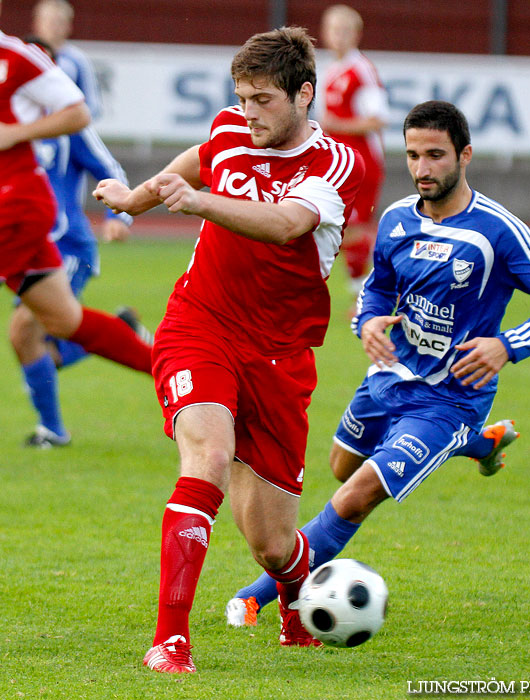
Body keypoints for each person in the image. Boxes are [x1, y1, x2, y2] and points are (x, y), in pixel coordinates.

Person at [226, 100, 530, 625]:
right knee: (341, 465)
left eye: (436, 155)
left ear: (464, 155)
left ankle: (262, 594)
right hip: (389, 379)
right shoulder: (395, 219)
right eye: (414, 155)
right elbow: (376, 293)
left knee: (356, 494)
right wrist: (367, 323)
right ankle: (476, 442)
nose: (422, 168)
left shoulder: (497, 231)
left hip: (451, 395)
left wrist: (506, 345)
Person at [92, 26, 364, 673]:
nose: (248, 112)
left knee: (271, 544)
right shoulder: (230, 130)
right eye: (241, 97)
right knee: (209, 455)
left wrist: (199, 204)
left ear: (303, 95)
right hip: (200, 323)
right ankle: (170, 641)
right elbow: (198, 155)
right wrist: (137, 198)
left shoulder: (334, 164)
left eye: (262, 99)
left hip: (279, 355)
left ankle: (298, 605)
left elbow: (287, 224)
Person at [0, 22, 152, 427]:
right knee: (61, 322)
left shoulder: (18, 63)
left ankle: (51, 428)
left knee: (29, 330)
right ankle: (180, 375)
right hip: (30, 225)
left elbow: (106, 163)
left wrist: (120, 214)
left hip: (41, 224)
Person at [320, 4, 389, 300]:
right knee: (336, 226)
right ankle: (363, 293)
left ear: (357, 35)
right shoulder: (331, 70)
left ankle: (367, 295)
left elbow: (377, 119)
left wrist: (337, 124)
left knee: (354, 229)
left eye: (346, 31)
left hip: (362, 161)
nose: (339, 37)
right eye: (334, 30)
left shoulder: (362, 70)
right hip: (339, 161)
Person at [32, 0, 102, 118]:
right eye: (49, 21)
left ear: (69, 26)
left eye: (59, 22)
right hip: (31, 130)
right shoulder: (26, 55)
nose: (53, 27)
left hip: (67, 130)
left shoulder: (77, 60)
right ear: (37, 23)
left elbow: (92, 104)